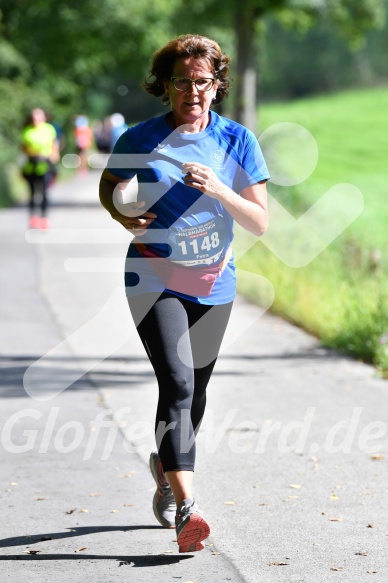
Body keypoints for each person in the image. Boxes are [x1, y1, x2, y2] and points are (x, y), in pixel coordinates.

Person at [99, 34, 269, 553]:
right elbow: (109, 186)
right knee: (175, 385)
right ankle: (188, 509)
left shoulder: (238, 140)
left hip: (214, 283)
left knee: (193, 395)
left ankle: (165, 470)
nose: (192, 91)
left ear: (216, 86)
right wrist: (122, 213)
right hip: (152, 278)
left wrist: (219, 188)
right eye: (181, 81)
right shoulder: (139, 136)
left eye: (202, 81)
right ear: (165, 85)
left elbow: (260, 222)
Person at [21, 108, 59, 229]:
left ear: (44, 118)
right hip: (32, 165)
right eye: (34, 117)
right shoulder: (27, 130)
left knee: (44, 192)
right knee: (32, 193)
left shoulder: (49, 129)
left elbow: (54, 144)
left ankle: (44, 218)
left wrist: (54, 155)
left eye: (38, 117)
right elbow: (24, 147)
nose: (36, 120)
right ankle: (33, 218)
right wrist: (33, 154)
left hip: (46, 165)